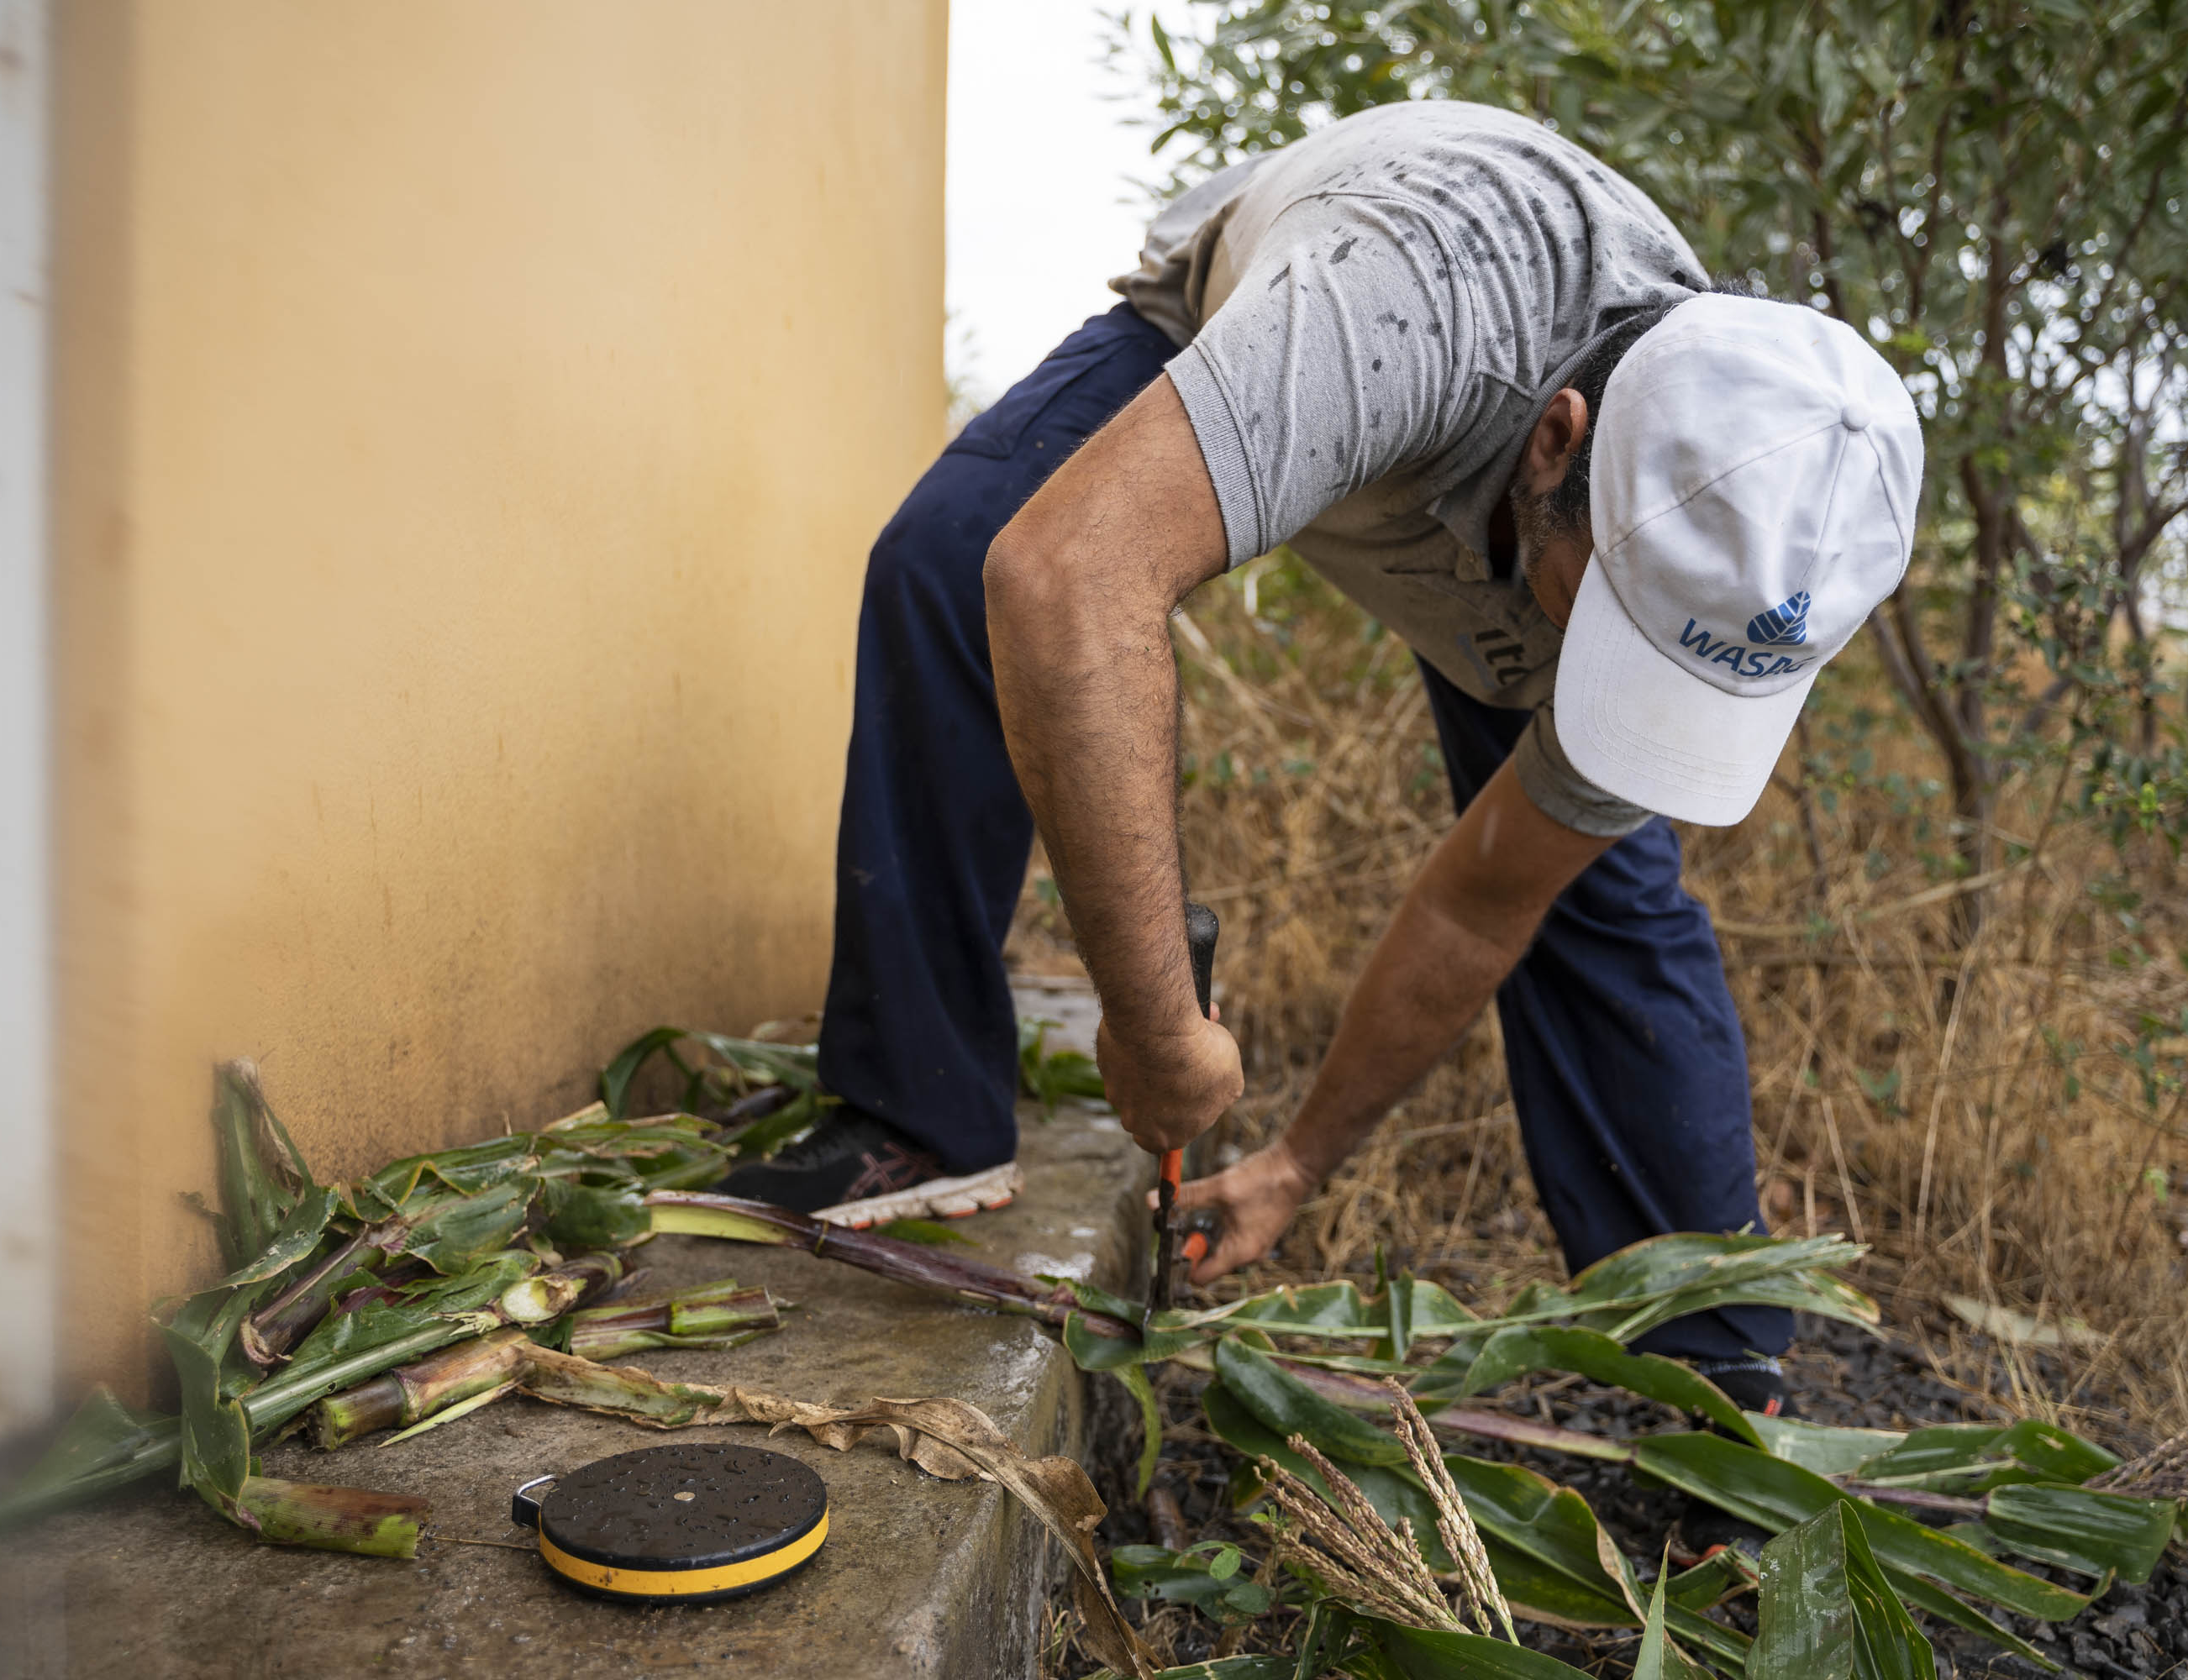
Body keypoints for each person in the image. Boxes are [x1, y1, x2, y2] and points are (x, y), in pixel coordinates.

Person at [718, 99, 1922, 1410]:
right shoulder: (1403, 304)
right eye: (1617, 627)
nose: (1614, 685)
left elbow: (1482, 903)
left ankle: (1710, 1370)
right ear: (1558, 444)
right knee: (956, 562)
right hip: (1293, 328)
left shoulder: (1759, 538)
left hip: (1510, 529)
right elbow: (1069, 583)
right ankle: (918, 1112)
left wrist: (1292, 1165)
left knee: (1600, 898)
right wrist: (1158, 1027)